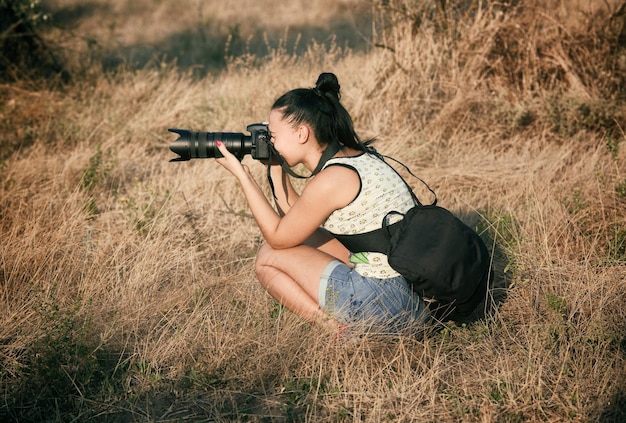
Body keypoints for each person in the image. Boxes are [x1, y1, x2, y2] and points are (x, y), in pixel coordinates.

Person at [215, 72, 430, 337]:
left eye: (273, 136)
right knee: (305, 237)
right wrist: (274, 167)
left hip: (387, 303)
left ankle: (338, 331)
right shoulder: (356, 158)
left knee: (268, 257)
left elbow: (278, 238)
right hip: (412, 295)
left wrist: (243, 177)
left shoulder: (331, 179)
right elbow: (297, 219)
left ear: (302, 133)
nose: (270, 142)